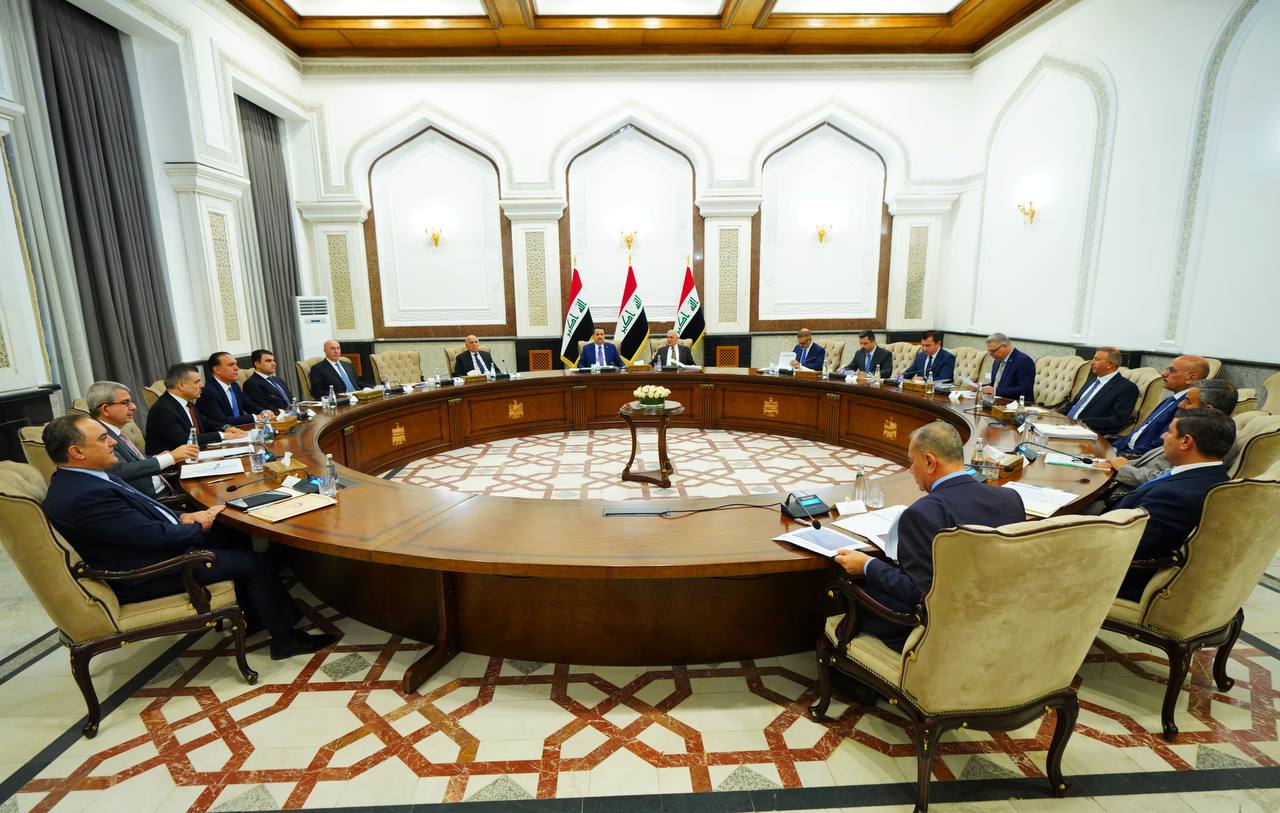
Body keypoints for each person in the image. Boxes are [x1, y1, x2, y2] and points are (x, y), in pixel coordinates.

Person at [40, 415, 335, 660]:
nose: (113, 442)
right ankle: (286, 640)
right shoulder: (83, 496)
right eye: (103, 439)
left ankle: (254, 614)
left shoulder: (84, 478)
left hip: (151, 548)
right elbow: (151, 537)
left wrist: (184, 517)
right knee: (256, 563)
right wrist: (197, 527)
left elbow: (140, 515)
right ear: (77, 452)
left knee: (233, 529)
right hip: (149, 572)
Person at [833, 422, 1026, 653]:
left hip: (941, 635)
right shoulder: (1010, 499)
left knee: (856, 590)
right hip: (1000, 621)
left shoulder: (922, 514)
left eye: (912, 461)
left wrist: (867, 565)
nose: (910, 470)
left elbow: (918, 594)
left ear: (930, 462)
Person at [1112, 408, 1234, 600]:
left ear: (1186, 442)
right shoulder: (1214, 477)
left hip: (1115, 580)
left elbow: (1122, 547)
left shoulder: (1175, 496)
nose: (1163, 436)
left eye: (1169, 431)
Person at [1095, 380, 1237, 497]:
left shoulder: (1216, 438)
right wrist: (1116, 462)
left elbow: (1172, 479)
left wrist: (1123, 469)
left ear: (1208, 409)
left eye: (1187, 401)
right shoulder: (1195, 427)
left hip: (1133, 493)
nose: (1180, 405)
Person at [87, 380, 197, 499]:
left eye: (131, 402)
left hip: (167, 487)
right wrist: (171, 457)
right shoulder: (100, 437)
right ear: (106, 409)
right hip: (156, 500)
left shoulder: (114, 432)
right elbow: (120, 471)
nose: (134, 407)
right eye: (125, 403)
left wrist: (157, 457)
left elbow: (133, 462)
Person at [1109, 355, 1209, 457]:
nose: (1163, 374)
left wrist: (1121, 456)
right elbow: (1139, 432)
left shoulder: (1186, 406)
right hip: (1123, 449)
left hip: (1137, 458)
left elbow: (1160, 444)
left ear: (1191, 378)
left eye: (1171, 370)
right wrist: (1115, 447)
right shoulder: (1170, 400)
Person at [145, 363, 246, 455]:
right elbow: (185, 440)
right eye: (197, 382)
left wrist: (226, 428)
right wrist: (222, 435)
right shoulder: (163, 409)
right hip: (175, 465)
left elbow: (206, 422)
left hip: (194, 456)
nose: (202, 385)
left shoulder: (187, 403)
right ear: (181, 385)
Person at [1057, 347, 1139, 432]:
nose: (1092, 362)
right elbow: (1074, 403)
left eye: (1097, 359)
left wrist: (1082, 422)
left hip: (1087, 430)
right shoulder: (1091, 381)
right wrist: (1055, 415)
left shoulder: (1127, 388)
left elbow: (1117, 420)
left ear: (1109, 364)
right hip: (1064, 425)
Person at [198, 352, 272, 430]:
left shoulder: (234, 385)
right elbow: (222, 420)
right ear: (217, 370)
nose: (237, 368)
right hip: (225, 433)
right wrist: (254, 417)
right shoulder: (208, 391)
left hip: (242, 430)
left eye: (236, 364)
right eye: (231, 365)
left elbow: (249, 405)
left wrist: (264, 411)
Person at [981, 333, 1035, 403]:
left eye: (993, 351)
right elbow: (996, 384)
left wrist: (995, 391)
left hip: (1017, 404)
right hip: (996, 402)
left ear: (1004, 346)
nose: (990, 354)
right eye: (989, 351)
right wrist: (980, 387)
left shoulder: (1024, 361)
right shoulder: (997, 361)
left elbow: (1024, 389)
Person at [242, 349, 294, 414]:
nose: (274, 364)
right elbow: (261, 407)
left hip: (294, 414)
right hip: (277, 418)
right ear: (257, 364)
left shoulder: (278, 380)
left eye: (273, 360)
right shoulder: (251, 384)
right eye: (268, 361)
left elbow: (291, 399)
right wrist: (284, 412)